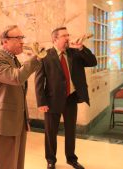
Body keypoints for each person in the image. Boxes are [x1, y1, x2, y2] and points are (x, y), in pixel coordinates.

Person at [34, 27, 97, 169]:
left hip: (71, 98)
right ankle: (51, 160)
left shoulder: (74, 52)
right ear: (55, 39)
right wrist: (41, 102)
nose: (68, 38)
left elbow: (93, 62)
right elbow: (38, 80)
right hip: (51, 100)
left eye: (68, 34)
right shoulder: (45, 56)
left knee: (70, 131)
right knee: (51, 132)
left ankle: (71, 159)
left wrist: (81, 48)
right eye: (64, 36)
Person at [0, 25, 41, 169]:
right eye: (18, 38)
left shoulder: (13, 59)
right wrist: (35, 59)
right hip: (4, 122)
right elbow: (16, 77)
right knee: (6, 164)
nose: (22, 42)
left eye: (22, 38)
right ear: (5, 41)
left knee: (17, 164)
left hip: (16, 120)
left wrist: (25, 119)